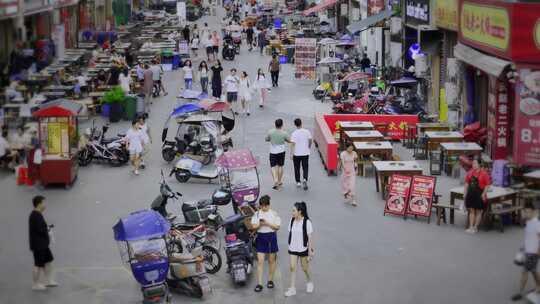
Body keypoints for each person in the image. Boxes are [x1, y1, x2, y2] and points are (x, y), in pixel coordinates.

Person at [251, 195, 281, 293]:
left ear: (269, 205)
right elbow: (253, 227)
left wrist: (267, 223)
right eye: (262, 206)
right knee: (260, 261)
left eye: (265, 206)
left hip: (271, 237)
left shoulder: (274, 213)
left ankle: (270, 280)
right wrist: (260, 224)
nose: (263, 208)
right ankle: (259, 283)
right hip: (261, 237)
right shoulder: (256, 214)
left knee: (271, 261)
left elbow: (277, 227)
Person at [511, 202, 540, 301]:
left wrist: (538, 251)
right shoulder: (528, 222)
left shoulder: (537, 223)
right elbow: (528, 236)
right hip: (527, 251)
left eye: (529, 212)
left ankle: (520, 292)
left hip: (533, 253)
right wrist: (522, 247)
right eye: (525, 212)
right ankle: (539, 286)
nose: (527, 214)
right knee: (533, 271)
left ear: (533, 212)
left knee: (525, 272)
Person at [285, 202, 314, 297]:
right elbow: (290, 233)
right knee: (292, 267)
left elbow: (310, 238)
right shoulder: (292, 220)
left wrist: (310, 252)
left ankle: (309, 282)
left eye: (294, 210)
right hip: (293, 247)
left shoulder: (307, 222)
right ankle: (292, 288)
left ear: (299, 211)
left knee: (304, 268)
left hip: (303, 249)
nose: (292, 212)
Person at [29, 195, 57, 291]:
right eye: (44, 203)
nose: (45, 205)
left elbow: (41, 227)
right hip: (38, 245)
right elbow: (40, 229)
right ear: (39, 204)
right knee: (38, 265)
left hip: (43, 244)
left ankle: (48, 281)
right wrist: (47, 229)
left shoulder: (38, 214)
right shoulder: (34, 216)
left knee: (48, 261)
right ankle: (35, 284)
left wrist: (46, 227)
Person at [464, 158, 491, 234]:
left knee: (479, 211)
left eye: (475, 163)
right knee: (472, 210)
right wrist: (464, 193)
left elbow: (487, 184)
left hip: (480, 194)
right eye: (473, 163)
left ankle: (475, 227)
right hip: (471, 194)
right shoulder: (470, 172)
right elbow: (466, 183)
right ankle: (471, 227)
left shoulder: (484, 173)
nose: (474, 165)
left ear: (479, 164)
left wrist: (483, 193)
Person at [265, 119, 290, 190]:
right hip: (281, 151)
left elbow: (266, 139)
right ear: (282, 125)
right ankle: (279, 181)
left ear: (275, 124)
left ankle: (275, 179)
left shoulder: (270, 132)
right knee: (280, 166)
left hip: (273, 151)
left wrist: (271, 139)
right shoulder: (284, 133)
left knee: (273, 166)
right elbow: (289, 140)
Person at [290, 118, 312, 190]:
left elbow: (293, 144)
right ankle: (305, 179)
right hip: (305, 153)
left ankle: (298, 182)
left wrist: (291, 154)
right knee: (305, 167)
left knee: (297, 168)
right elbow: (310, 140)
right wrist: (308, 146)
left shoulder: (294, 133)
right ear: (301, 123)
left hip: (296, 154)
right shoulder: (307, 131)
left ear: (295, 124)